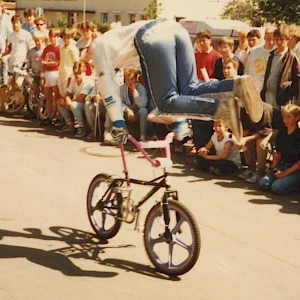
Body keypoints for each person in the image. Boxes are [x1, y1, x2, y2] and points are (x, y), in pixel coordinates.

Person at [92, 19, 264, 144]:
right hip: (175, 28)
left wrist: (118, 122)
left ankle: (221, 109)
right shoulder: (114, 39)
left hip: (150, 37)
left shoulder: (97, 47)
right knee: (190, 87)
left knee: (166, 102)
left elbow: (106, 85)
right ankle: (235, 84)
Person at [259, 104, 300, 195]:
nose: (286, 120)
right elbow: (278, 152)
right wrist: (273, 166)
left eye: (289, 117)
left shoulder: (298, 135)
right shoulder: (282, 133)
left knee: (276, 187)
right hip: (282, 165)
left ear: (297, 118)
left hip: (295, 168)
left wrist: (286, 172)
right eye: (284, 117)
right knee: (263, 183)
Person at [261, 25, 300, 108]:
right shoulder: (272, 55)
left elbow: (297, 78)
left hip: (282, 98)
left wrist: (288, 91)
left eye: (281, 39)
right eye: (277, 39)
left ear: (287, 40)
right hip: (268, 95)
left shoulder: (292, 57)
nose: (279, 42)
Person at [58, 62, 95, 137]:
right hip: (78, 102)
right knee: (60, 102)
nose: (77, 75)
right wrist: (67, 99)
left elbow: (81, 98)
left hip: (87, 105)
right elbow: (68, 93)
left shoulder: (88, 81)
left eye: (79, 73)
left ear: (84, 72)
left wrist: (69, 101)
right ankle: (70, 125)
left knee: (73, 105)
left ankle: (82, 127)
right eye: (75, 73)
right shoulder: (73, 80)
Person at [120, 67, 149, 141]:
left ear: (136, 78)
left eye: (132, 79)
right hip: (126, 113)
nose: (130, 82)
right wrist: (127, 109)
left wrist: (135, 91)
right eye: (127, 80)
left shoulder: (141, 88)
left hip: (137, 113)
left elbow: (142, 104)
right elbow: (119, 102)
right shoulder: (121, 89)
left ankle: (143, 136)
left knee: (144, 111)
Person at [40, 28, 61, 126]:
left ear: (58, 37)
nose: (53, 39)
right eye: (51, 37)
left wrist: (46, 63)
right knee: (48, 96)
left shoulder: (59, 48)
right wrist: (42, 76)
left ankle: (59, 117)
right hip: (47, 73)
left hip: (55, 73)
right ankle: (49, 116)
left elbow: (56, 62)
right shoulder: (46, 48)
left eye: (55, 37)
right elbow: (42, 64)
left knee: (57, 96)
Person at [244, 27, 275, 94]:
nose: (271, 42)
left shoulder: (276, 53)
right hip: (253, 88)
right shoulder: (254, 50)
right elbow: (246, 70)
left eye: (273, 39)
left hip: (267, 90)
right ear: (264, 38)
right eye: (269, 39)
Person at [0, 0, 13, 85]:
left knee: (3, 62)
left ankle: (5, 82)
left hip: (3, 46)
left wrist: (7, 47)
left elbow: (9, 33)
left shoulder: (5, 18)